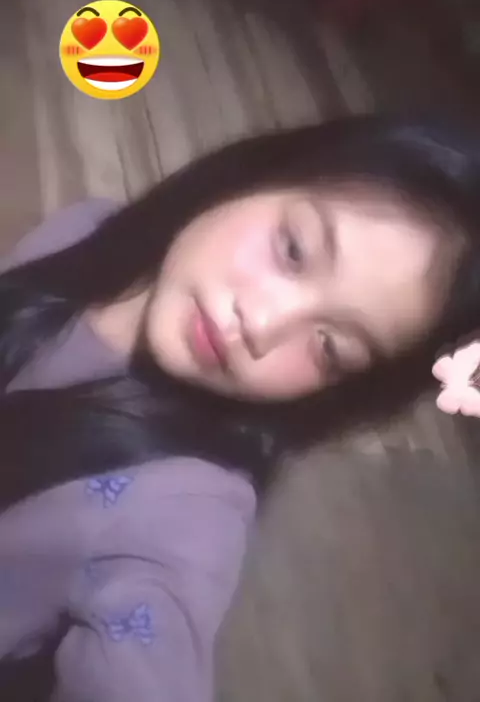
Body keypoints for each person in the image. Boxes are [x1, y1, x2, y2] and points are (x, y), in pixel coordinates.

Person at [1, 114, 480, 701]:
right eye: (294, 250)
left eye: (330, 347)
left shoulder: (184, 511)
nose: (263, 322)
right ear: (260, 173)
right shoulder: (88, 227)